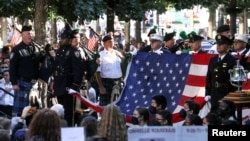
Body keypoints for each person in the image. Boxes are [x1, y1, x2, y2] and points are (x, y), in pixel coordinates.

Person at [9, 25, 42, 116]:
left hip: (34, 84)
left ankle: (32, 125)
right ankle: (21, 127)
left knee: (34, 110)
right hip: (22, 83)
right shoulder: (16, 49)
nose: (30, 36)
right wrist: (14, 83)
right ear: (22, 35)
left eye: (31, 33)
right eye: (28, 33)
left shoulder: (37, 48)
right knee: (21, 112)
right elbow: (12, 67)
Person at [205, 34, 237, 112]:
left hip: (226, 93)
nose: (218, 46)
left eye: (221, 44)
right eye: (217, 43)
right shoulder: (213, 59)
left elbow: (235, 81)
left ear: (228, 46)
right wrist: (208, 93)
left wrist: (232, 95)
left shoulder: (232, 60)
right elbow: (209, 78)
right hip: (214, 93)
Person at [52, 26, 75, 126]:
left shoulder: (73, 52)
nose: (61, 40)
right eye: (61, 38)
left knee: (68, 112)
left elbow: (77, 70)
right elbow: (55, 68)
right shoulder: (59, 52)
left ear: (69, 40)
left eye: (63, 38)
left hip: (68, 84)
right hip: (59, 83)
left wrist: (74, 85)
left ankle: (68, 130)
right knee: (60, 109)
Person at [95, 35, 124, 106]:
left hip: (118, 82)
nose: (112, 43)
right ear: (104, 44)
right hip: (106, 83)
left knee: (118, 106)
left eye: (113, 41)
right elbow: (97, 72)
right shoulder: (100, 55)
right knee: (106, 107)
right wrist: (101, 87)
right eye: (110, 42)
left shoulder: (117, 54)